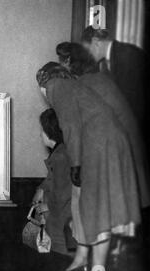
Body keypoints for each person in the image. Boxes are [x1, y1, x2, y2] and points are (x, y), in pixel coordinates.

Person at [36, 62, 141, 271]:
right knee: (80, 204)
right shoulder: (71, 87)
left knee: (96, 211)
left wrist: (76, 165)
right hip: (99, 146)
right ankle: (82, 260)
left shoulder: (56, 87)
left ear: (43, 81)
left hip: (102, 149)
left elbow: (72, 127)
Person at [56, 42, 150, 210]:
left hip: (120, 156)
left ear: (69, 62)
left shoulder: (86, 85)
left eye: (62, 62)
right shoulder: (97, 79)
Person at [81, 26, 147, 131]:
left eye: (88, 50)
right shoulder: (111, 57)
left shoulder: (126, 54)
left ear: (96, 42)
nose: (89, 55)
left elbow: (132, 100)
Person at [32, 108, 74, 255]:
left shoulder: (60, 157)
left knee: (60, 256)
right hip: (60, 219)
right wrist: (41, 189)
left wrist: (45, 205)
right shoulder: (61, 152)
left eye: (42, 130)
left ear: (50, 132)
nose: (40, 134)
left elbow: (63, 193)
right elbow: (52, 179)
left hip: (61, 224)